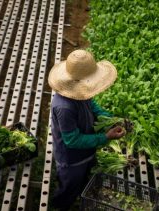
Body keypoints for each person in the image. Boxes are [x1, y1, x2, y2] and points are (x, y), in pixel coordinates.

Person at [48, 49, 126, 210]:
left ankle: (80, 198)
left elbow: (92, 106)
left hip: (86, 151)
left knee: (84, 179)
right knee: (69, 188)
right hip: (71, 159)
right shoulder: (64, 108)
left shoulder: (81, 92)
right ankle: (60, 206)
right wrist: (105, 137)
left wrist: (109, 119)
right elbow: (72, 140)